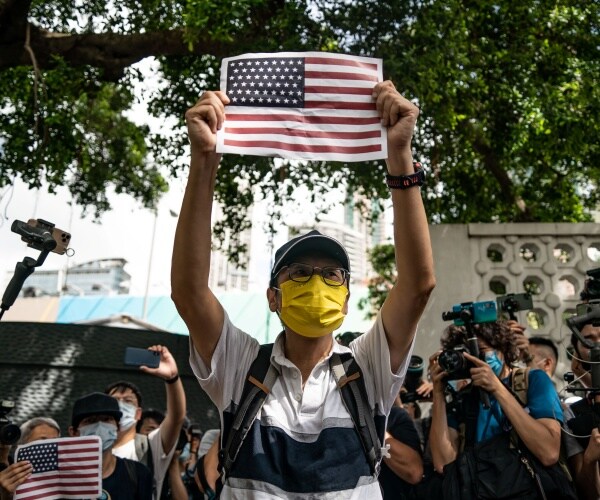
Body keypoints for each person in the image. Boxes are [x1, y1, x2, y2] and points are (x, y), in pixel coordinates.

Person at [171, 80, 435, 498]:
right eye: (298, 273)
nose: (316, 282)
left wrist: (400, 155)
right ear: (272, 298)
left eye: (332, 276)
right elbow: (188, 291)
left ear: (347, 300)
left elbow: (419, 285)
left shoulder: (368, 368)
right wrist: (203, 161)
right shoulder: (239, 367)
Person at [429, 319, 567, 498]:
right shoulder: (463, 398)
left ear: (503, 348)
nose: (475, 359)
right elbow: (443, 464)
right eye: (467, 354)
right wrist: (438, 393)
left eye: (482, 351)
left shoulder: (533, 380)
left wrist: (497, 388)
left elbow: (548, 452)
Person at [104, 344, 186, 499]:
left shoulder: (151, 447)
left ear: (138, 413)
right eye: (115, 401)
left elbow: (176, 418)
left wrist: (172, 378)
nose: (121, 405)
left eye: (128, 401)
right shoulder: (92, 449)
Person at [69, 392, 153, 499]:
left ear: (117, 428)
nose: (100, 426)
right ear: (74, 432)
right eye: (90, 421)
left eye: (106, 419)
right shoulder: (60, 478)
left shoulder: (138, 474)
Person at [0, 417, 61, 500]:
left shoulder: (63, 481)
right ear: (22, 445)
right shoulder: (6, 475)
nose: (50, 447)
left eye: (54, 442)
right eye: (42, 441)